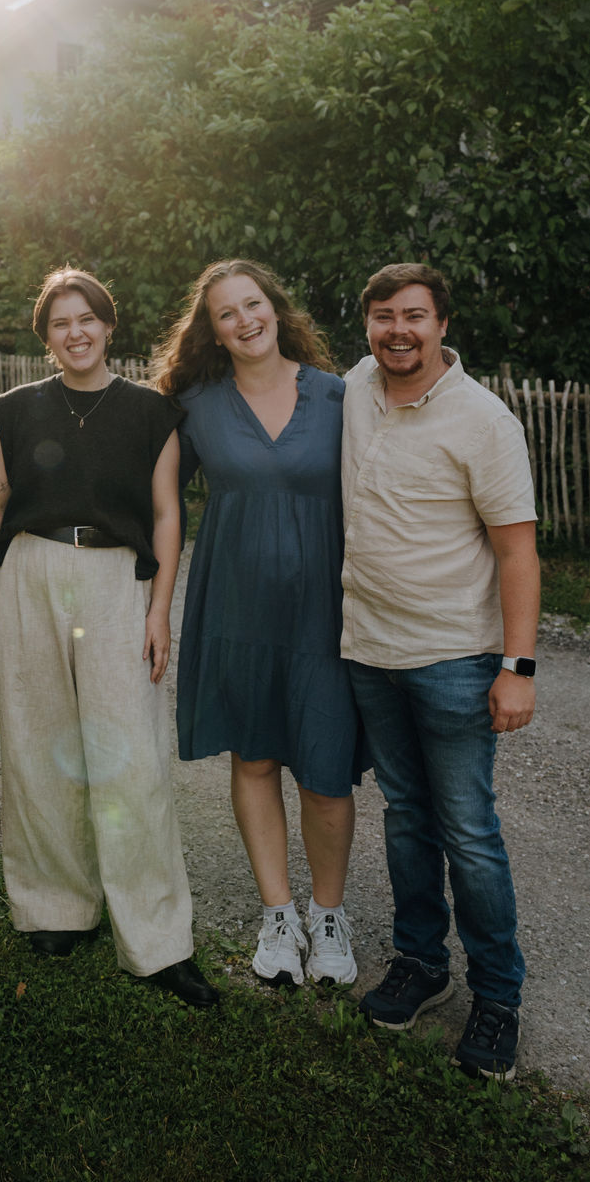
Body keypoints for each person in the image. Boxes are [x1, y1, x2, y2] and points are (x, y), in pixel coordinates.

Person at [0, 267, 218, 1008]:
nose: (74, 333)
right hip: (28, 573)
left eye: (86, 320)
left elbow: (167, 514)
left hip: (118, 580)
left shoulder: (152, 413)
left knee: (130, 758)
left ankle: (155, 939)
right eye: (59, 324)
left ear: (109, 327)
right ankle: (55, 906)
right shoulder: (12, 411)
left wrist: (157, 610)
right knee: (36, 740)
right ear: (45, 337)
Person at [343, 262, 539, 1081]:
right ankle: (420, 963)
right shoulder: (354, 386)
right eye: (383, 315)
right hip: (366, 649)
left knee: (468, 832)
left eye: (413, 316)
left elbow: (517, 551)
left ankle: (497, 998)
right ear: (366, 327)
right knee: (405, 818)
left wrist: (516, 667)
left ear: (442, 325)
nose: (398, 330)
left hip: (454, 658)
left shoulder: (482, 419)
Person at [154, 259, 362, 990]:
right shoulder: (196, 406)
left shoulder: (339, 397)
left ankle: (329, 915)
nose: (243, 320)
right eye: (225, 313)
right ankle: (278, 914)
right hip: (235, 608)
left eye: (252, 305)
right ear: (210, 330)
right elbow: (157, 507)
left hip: (327, 614)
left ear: (275, 308)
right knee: (254, 760)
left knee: (327, 771)